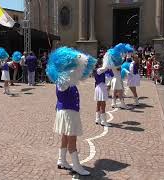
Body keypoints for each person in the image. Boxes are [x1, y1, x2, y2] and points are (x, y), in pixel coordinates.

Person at [46, 47, 97, 176]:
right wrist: (77, 60)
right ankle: (76, 166)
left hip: (66, 112)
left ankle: (61, 160)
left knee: (65, 137)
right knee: (72, 140)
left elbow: (75, 74)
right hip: (68, 113)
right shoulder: (64, 81)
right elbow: (74, 73)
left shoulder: (66, 80)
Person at [102, 43, 133, 109]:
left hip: (114, 79)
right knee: (120, 92)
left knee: (114, 91)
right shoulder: (117, 65)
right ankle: (122, 104)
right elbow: (121, 62)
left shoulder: (113, 64)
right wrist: (124, 56)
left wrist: (123, 56)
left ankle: (113, 103)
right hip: (117, 79)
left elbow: (120, 61)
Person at [93, 60, 111, 127]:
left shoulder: (99, 70)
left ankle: (98, 119)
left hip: (99, 87)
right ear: (100, 65)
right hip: (101, 87)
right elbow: (105, 68)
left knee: (99, 103)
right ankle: (103, 121)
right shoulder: (99, 70)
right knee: (102, 104)